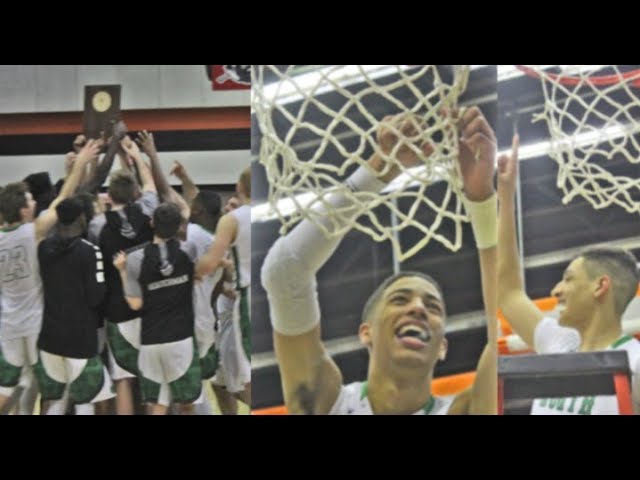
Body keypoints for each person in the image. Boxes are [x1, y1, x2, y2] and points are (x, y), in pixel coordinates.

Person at [261, 108, 498, 415]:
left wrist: (481, 200)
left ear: (443, 347)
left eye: (434, 307)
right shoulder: (327, 403)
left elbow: (501, 322)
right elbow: (284, 272)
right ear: (365, 332)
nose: (418, 309)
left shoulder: (464, 410)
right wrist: (378, 171)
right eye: (400, 299)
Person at [497, 136, 640, 415]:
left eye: (569, 278)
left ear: (600, 286)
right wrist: (506, 197)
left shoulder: (635, 361)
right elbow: (509, 293)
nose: (556, 290)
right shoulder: (560, 344)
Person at [0, 140, 99, 412]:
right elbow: (62, 198)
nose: (34, 202)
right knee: (49, 388)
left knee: (10, 387)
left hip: (7, 325)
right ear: (23, 209)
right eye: (30, 200)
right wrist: (80, 162)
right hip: (34, 324)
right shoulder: (33, 231)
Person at [113, 203, 202, 415]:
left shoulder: (135, 259)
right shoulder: (189, 250)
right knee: (186, 403)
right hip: (182, 339)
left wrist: (122, 272)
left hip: (151, 340)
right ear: (179, 226)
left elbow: (135, 304)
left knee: (159, 404)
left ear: (152, 223)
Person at [34, 197, 115, 415]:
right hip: (79, 338)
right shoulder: (89, 251)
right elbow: (96, 297)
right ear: (81, 218)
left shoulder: (43, 249)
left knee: (57, 400)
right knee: (85, 400)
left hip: (49, 336)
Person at [196, 168, 252, 408]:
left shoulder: (232, 220)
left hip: (247, 300)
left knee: (247, 375)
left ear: (239, 188)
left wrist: (186, 269)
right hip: (272, 295)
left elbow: (209, 263)